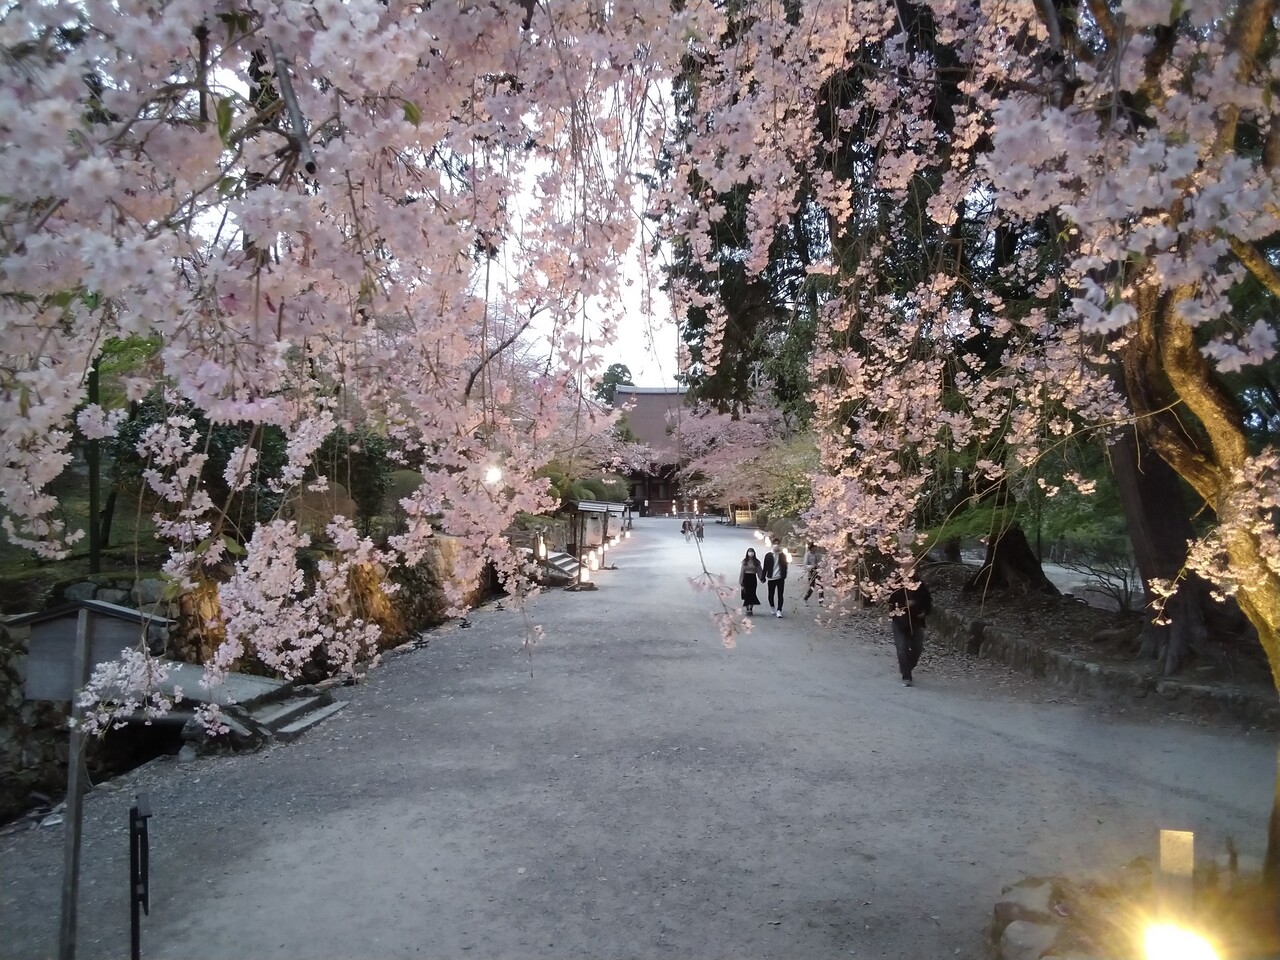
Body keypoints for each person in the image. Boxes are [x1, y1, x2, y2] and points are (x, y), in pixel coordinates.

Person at [888, 573, 932, 686]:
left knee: (917, 648)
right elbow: (890, 599)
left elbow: (927, 601)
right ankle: (906, 675)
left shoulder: (919, 584)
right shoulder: (896, 583)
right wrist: (903, 604)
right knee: (902, 648)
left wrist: (924, 611)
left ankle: (906, 667)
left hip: (916, 621)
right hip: (899, 621)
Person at [760, 537, 789, 618]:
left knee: (780, 594)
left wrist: (784, 575)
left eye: (778, 544)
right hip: (771, 577)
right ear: (772, 545)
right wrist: (763, 577)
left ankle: (779, 610)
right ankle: (772, 607)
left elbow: (785, 566)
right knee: (771, 594)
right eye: (775, 544)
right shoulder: (768, 555)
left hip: (780, 578)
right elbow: (765, 567)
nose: (776, 546)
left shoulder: (782, 555)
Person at [739, 548, 763, 615]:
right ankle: (747, 608)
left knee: (752, 593)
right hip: (746, 578)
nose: (751, 553)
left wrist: (761, 578)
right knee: (746, 593)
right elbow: (742, 571)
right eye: (749, 552)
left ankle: (751, 608)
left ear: (754, 553)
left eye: (752, 552)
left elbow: (759, 571)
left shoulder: (757, 562)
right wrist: (741, 581)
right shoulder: (745, 561)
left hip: (753, 578)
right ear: (747, 553)